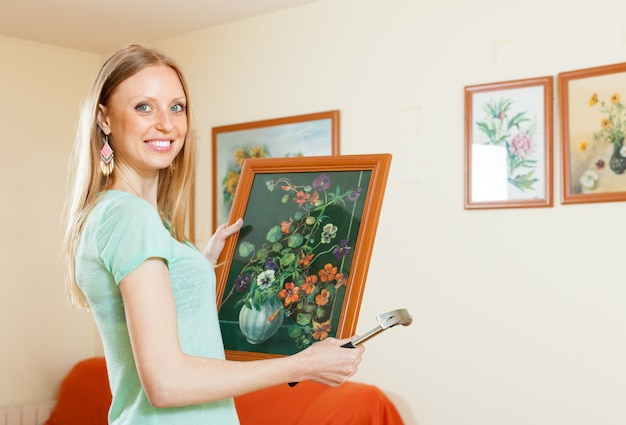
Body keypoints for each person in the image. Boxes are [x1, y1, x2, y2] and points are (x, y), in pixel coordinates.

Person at [62, 44, 365, 424]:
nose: (167, 124)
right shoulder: (130, 217)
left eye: (177, 107)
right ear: (104, 119)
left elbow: (162, 321)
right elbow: (166, 383)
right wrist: (299, 365)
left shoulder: (122, 217)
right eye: (144, 107)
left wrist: (197, 265)